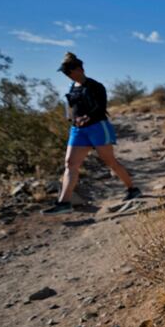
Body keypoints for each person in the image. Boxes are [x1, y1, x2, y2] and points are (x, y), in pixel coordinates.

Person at [42, 52, 141, 215]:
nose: (67, 75)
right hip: (78, 130)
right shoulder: (72, 88)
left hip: (97, 127)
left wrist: (86, 118)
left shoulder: (96, 86)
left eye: (69, 72)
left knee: (110, 162)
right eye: (65, 73)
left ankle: (132, 189)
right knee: (70, 163)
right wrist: (72, 118)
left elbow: (101, 107)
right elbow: (71, 109)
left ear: (79, 69)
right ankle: (64, 203)